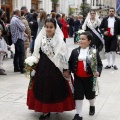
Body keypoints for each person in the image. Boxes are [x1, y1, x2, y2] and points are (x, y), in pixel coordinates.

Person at [27, 18, 75, 119]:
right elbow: (36, 53)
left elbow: (64, 56)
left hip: (56, 69)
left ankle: (56, 108)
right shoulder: (40, 39)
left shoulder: (59, 40)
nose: (48, 29)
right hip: (42, 68)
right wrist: (32, 65)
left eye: (51, 27)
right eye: (47, 27)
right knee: (44, 88)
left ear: (55, 28)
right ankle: (45, 111)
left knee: (56, 88)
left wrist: (66, 69)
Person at [67, 31, 103, 120]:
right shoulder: (75, 51)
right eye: (80, 38)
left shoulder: (93, 52)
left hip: (90, 78)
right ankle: (79, 114)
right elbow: (70, 62)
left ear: (89, 41)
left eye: (83, 39)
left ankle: (92, 105)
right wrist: (67, 70)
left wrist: (98, 72)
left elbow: (99, 64)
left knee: (90, 95)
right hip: (78, 78)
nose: (81, 40)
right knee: (78, 95)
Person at [10, 9, 26, 73]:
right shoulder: (16, 19)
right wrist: (23, 25)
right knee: (21, 54)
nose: (20, 13)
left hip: (16, 38)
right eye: (19, 12)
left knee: (17, 53)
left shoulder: (13, 19)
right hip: (19, 38)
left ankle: (16, 67)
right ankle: (22, 68)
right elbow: (23, 28)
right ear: (17, 13)